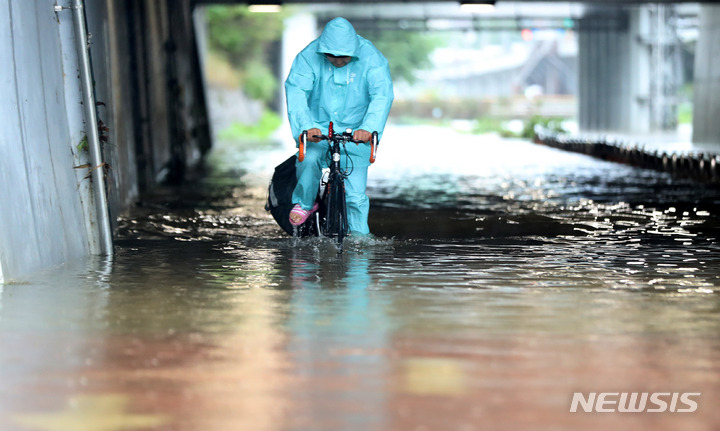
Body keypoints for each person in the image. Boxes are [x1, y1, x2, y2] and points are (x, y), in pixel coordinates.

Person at [285, 17, 394, 236]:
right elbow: (296, 92)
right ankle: (305, 204)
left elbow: (381, 94)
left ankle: (359, 239)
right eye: (330, 55)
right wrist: (306, 126)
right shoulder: (307, 56)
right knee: (309, 159)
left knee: (354, 196)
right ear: (322, 50)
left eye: (343, 56)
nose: (337, 60)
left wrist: (369, 127)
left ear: (353, 51)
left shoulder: (371, 57)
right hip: (318, 130)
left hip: (357, 133)